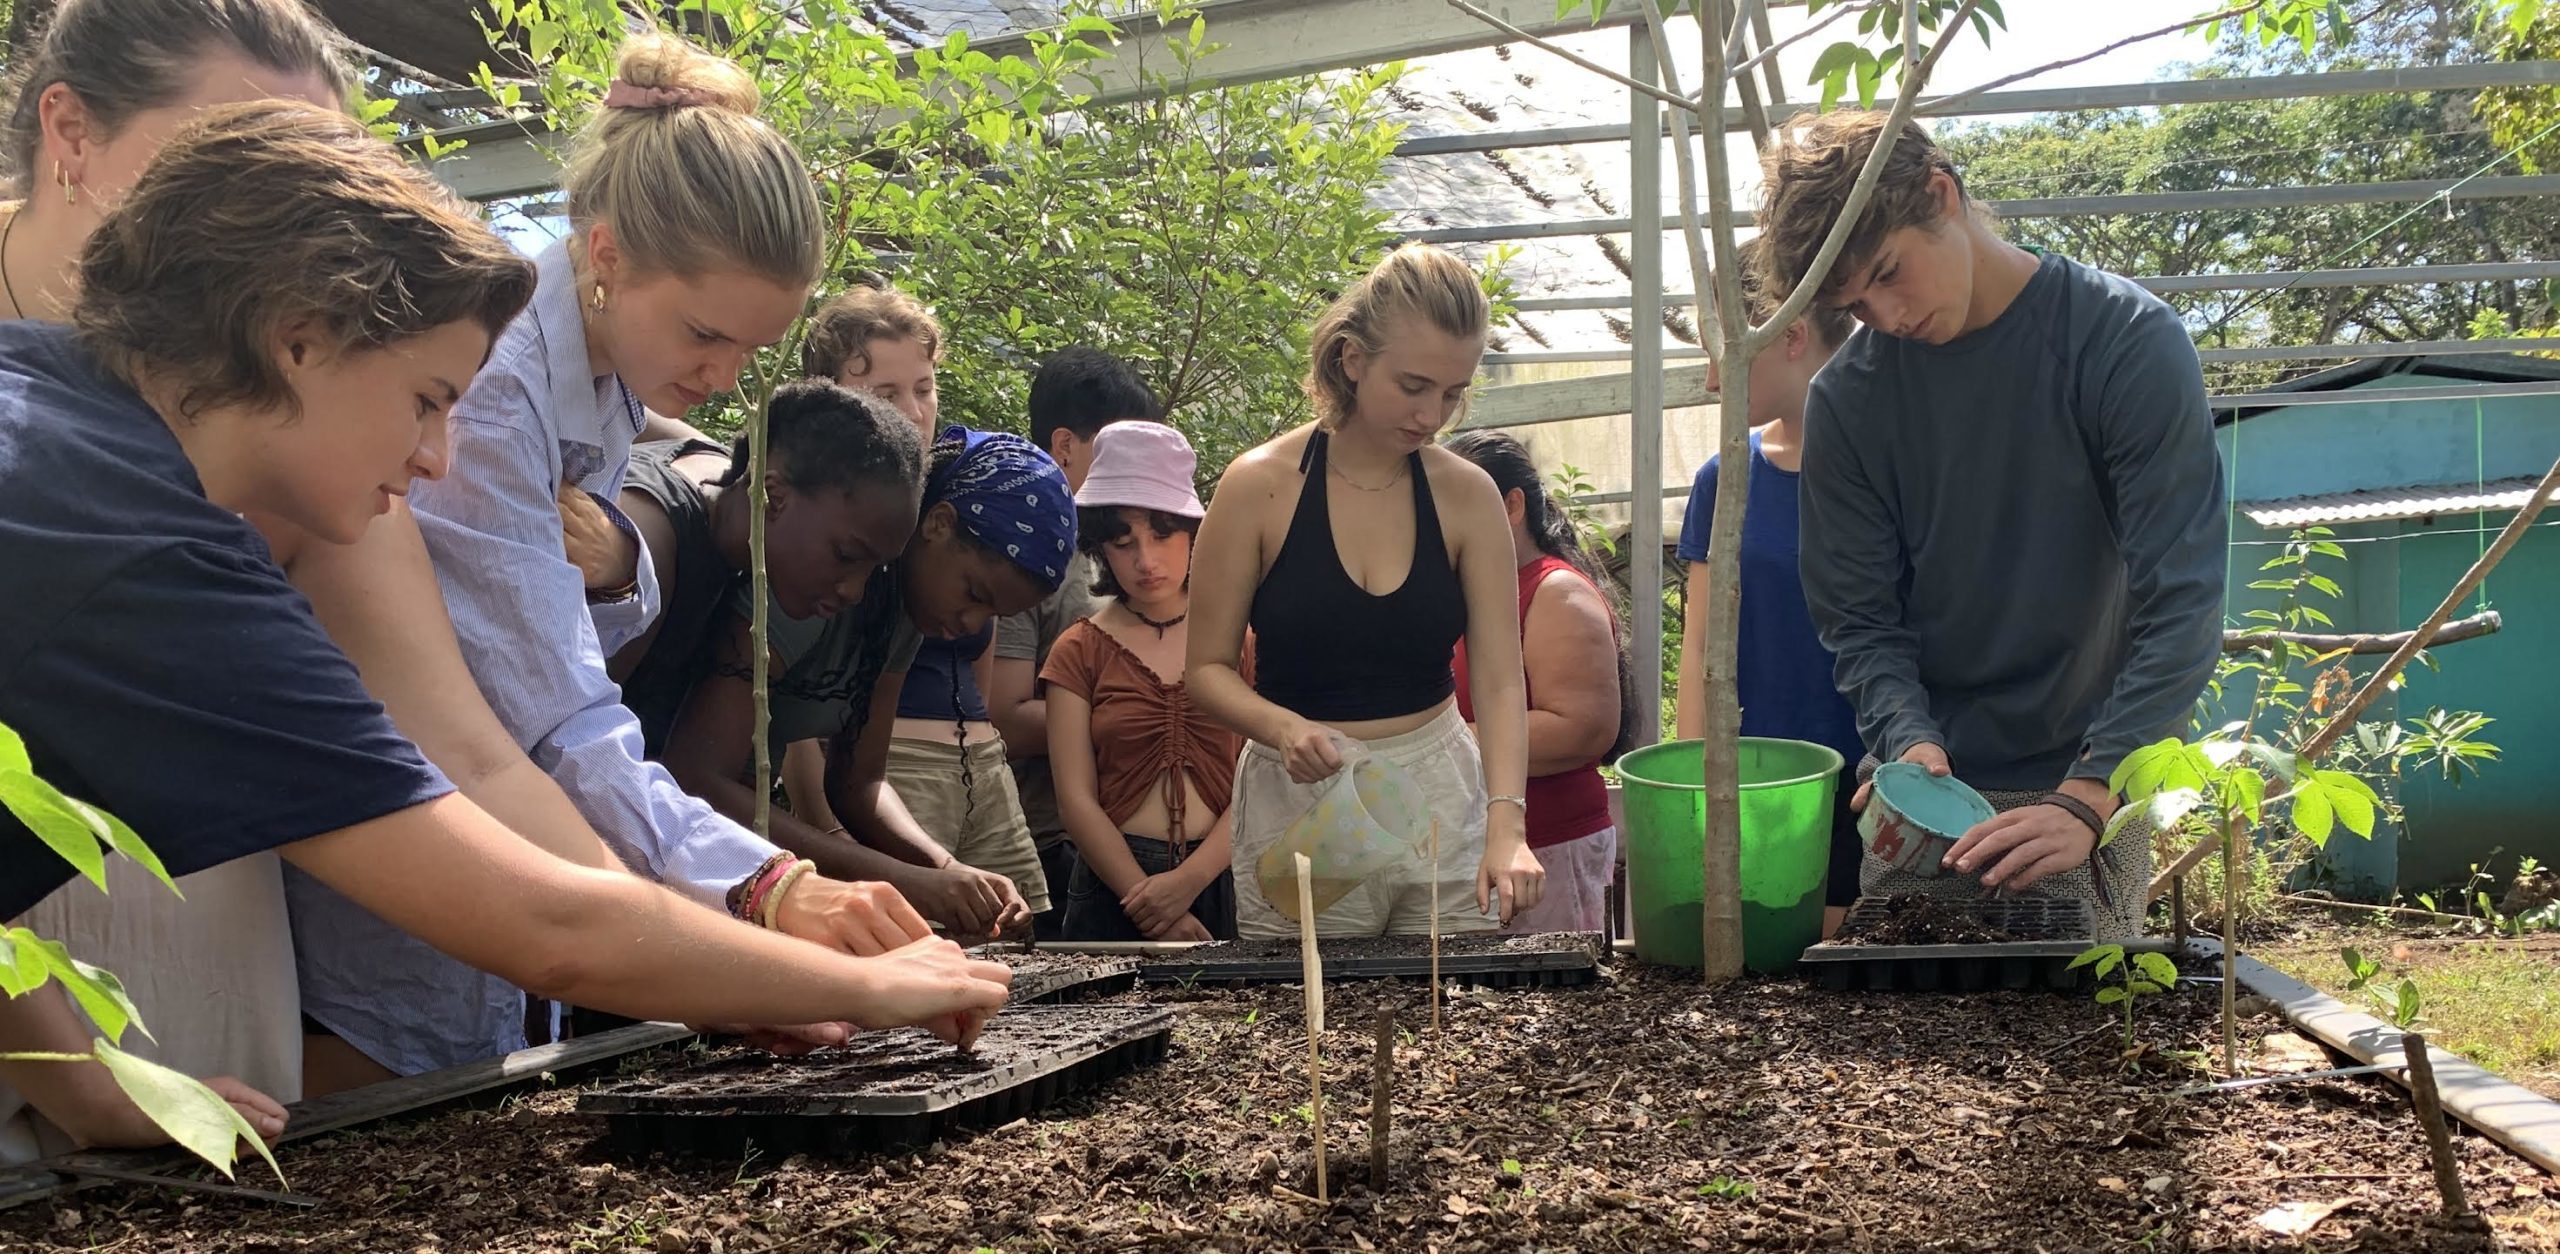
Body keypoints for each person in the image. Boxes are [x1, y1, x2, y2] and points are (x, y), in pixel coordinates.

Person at [0, 101, 1011, 1164]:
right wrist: (859, 982)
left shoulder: (45, 406)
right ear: (297, 340)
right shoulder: (158, 562)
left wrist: (85, 1089)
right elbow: (543, 926)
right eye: (428, 400)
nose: (439, 459)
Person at [284, 30, 943, 1081]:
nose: (723, 378)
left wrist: (614, 568)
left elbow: (543, 646)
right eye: (703, 335)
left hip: (513, 873)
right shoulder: (491, 395)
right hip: (406, 902)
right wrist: (762, 900)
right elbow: (546, 725)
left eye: (746, 350)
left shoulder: (607, 368)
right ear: (606, 257)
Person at [0, 0, 358, 1149]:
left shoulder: (293, 378)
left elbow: (453, 741)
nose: (281, 225)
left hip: (200, 902)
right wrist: (81, 1083)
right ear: (71, 131)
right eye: (233, 161)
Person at [1759, 112, 2227, 937]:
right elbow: (1859, 617)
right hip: (1927, 787)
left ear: (1942, 196)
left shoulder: (2121, 342)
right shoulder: (1850, 400)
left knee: (2082, 1034)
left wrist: (2096, 790)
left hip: (2083, 780)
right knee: (1900, 1041)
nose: (1887, 314)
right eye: (1856, 305)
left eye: (1889, 273)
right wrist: (1906, 738)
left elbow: (2182, 600)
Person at [1189, 243, 1545, 940]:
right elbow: (1203, 668)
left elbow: (1502, 681)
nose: (1432, 414)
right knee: (1312, 1026)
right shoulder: (1257, 485)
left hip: (1438, 781)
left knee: (1458, 1016)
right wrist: (1281, 727)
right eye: (1413, 386)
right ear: (1352, 360)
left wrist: (1508, 825)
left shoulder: (1466, 495)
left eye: (1452, 393)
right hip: (1302, 793)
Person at [663, 426, 1075, 937]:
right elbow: (696, 779)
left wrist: (948, 871)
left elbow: (859, 781)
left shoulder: (901, 616)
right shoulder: (818, 590)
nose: (973, 624)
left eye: (994, 613)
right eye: (975, 594)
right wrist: (909, 880)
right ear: (939, 525)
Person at [800, 285, 1053, 923]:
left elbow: (980, 658)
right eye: (886, 394)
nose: (914, 413)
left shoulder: (952, 495)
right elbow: (789, 708)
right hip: (889, 766)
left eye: (924, 388)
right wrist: (823, 828)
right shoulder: (806, 525)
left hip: (969, 760)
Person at [1672, 263, 1865, 937]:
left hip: (1875, 780)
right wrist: (1691, 792)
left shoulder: (1894, 468)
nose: (1712, 381)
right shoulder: (1725, 479)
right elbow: (1699, 645)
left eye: (1724, 358)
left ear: (1792, 335)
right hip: (1756, 788)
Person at [1043, 423, 1246, 941]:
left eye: (1162, 534)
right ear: (1100, 547)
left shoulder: (1240, 640)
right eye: (1123, 540)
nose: (1146, 560)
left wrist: (1190, 880)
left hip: (1225, 877)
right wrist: (1152, 904)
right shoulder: (1078, 648)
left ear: (1193, 532)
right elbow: (1075, 800)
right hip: (1113, 887)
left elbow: (1264, 781)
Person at [991, 347, 1163, 939]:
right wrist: (1137, 714)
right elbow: (1007, 715)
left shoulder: (1148, 557)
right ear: (1065, 446)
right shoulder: (1028, 555)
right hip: (1055, 843)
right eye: (1121, 450)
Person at [1444, 430, 1626, 935]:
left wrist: (1439, 742)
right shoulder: (1472, 594)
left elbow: (1582, 730)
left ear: (1511, 506)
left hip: (1548, 850)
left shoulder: (1555, 592)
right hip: (1477, 853)